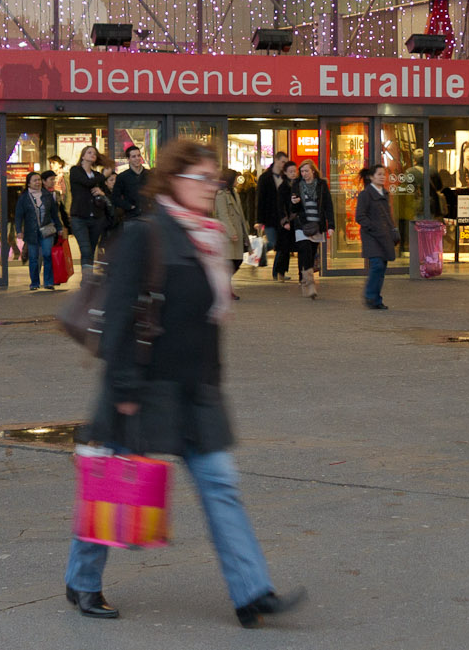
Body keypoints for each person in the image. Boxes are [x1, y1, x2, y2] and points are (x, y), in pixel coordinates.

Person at [64, 140, 305, 628]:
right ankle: (83, 582)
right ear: (174, 180)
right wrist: (126, 390)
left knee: (221, 485)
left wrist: (213, 381)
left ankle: (251, 592)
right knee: (113, 487)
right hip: (142, 387)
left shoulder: (210, 239)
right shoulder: (145, 235)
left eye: (213, 179)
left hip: (197, 391)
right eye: (201, 178)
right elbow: (116, 322)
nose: (210, 187)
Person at [286, 160, 333, 300]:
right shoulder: (297, 185)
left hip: (316, 225)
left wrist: (331, 225)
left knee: (311, 254)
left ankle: (305, 280)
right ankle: (310, 284)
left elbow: (328, 205)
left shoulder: (322, 185)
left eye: (306, 171)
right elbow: (293, 209)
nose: (304, 174)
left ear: (313, 170)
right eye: (302, 171)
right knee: (305, 250)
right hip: (302, 224)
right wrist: (294, 203)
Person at [16, 170, 69, 291]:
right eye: (35, 180)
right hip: (31, 232)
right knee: (33, 257)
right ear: (28, 183)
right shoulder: (24, 198)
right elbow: (19, 215)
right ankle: (34, 282)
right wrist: (18, 230)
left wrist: (59, 228)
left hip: (47, 230)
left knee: (47, 255)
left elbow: (54, 214)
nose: (38, 182)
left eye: (39, 180)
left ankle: (48, 282)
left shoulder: (47, 196)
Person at [355, 164, 397, 310]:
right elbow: (360, 216)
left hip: (384, 236)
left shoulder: (384, 194)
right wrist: (372, 227)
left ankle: (376, 299)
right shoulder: (366, 194)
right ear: (371, 177)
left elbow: (388, 216)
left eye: (383, 174)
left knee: (381, 268)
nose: (382, 177)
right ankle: (370, 296)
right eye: (379, 174)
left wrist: (393, 230)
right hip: (371, 237)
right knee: (377, 265)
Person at [69, 147, 112, 269]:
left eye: (94, 153)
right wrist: (104, 176)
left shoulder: (97, 175)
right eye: (89, 152)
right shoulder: (75, 171)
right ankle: (87, 280)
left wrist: (101, 192)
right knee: (86, 249)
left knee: (91, 251)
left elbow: (105, 193)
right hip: (79, 217)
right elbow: (87, 182)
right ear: (83, 156)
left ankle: (87, 281)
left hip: (96, 217)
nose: (92, 154)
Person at [213, 169, 250, 299]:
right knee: (230, 262)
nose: (237, 182)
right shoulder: (221, 194)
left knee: (237, 260)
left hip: (238, 230)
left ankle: (224, 288)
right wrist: (231, 232)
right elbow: (223, 214)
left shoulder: (234, 193)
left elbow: (240, 213)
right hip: (227, 234)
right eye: (236, 179)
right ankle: (225, 289)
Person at [256, 153, 292, 281]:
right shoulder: (265, 178)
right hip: (270, 217)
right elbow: (260, 200)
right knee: (273, 243)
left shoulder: (285, 177)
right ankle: (261, 251)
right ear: (276, 160)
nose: (284, 165)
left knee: (282, 245)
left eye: (286, 162)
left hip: (282, 217)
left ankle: (278, 272)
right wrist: (259, 220)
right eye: (282, 162)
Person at [112, 144, 150, 223]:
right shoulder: (122, 177)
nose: (137, 158)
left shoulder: (150, 175)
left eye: (138, 155)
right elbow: (115, 198)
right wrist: (129, 206)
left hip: (149, 216)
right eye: (133, 156)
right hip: (131, 217)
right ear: (128, 159)